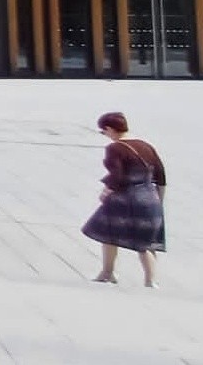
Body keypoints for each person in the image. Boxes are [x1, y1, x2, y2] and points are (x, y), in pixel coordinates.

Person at [83, 111, 167, 287]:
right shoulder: (146, 145)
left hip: (125, 198)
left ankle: (108, 273)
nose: (105, 135)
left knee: (107, 232)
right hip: (149, 197)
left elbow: (117, 176)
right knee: (146, 242)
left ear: (110, 129)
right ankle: (150, 280)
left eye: (103, 131)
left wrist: (106, 191)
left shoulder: (115, 148)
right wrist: (159, 201)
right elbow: (161, 176)